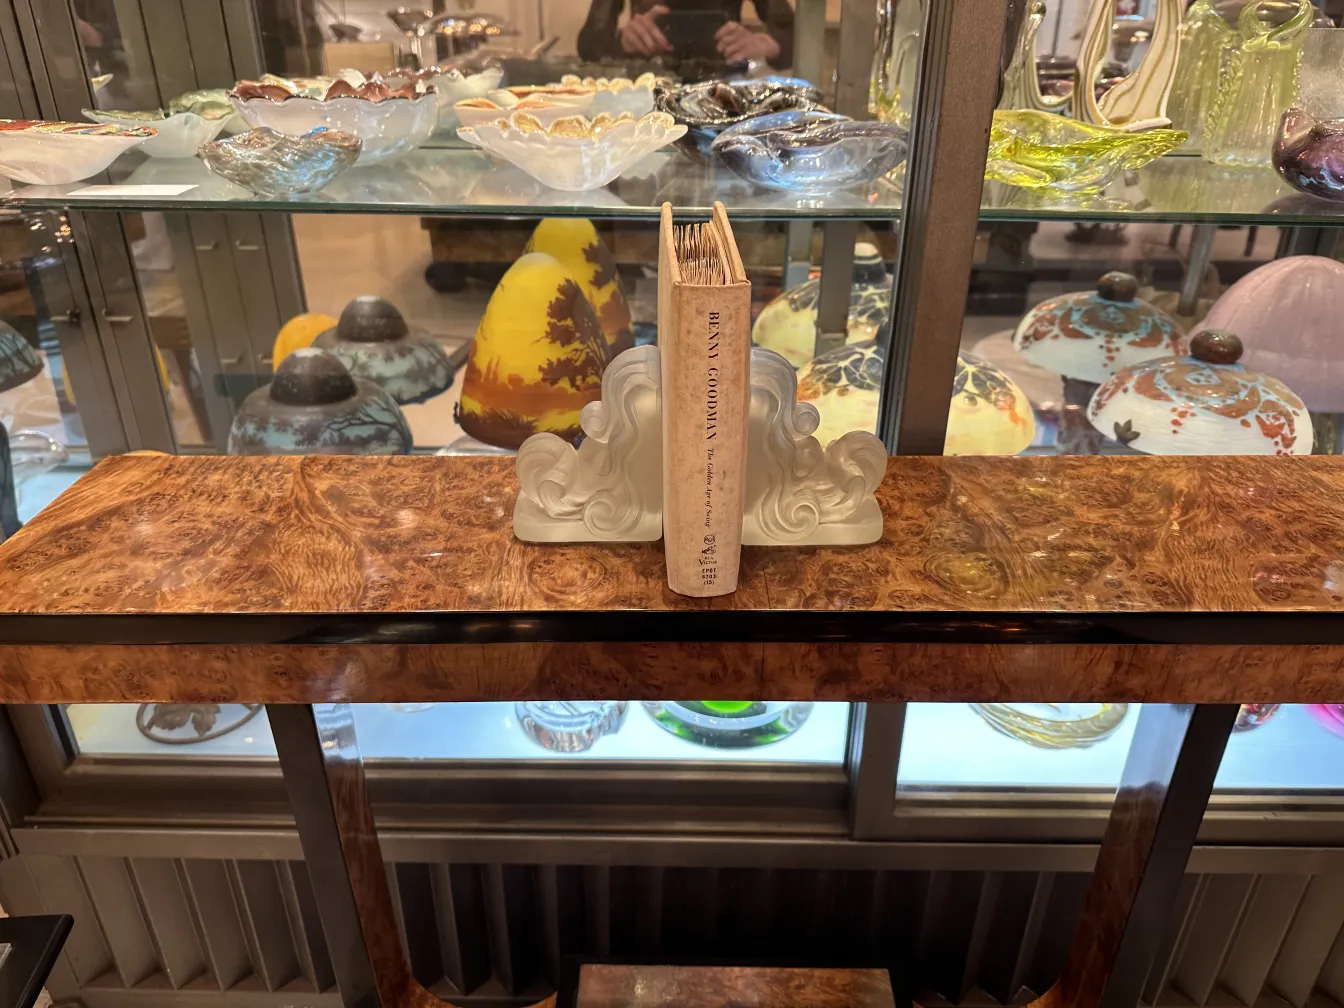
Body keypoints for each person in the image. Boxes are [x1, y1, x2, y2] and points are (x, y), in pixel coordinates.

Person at [577, 0, 794, 69]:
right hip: (644, 93)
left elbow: (797, 36)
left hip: (722, 94)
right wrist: (622, 39)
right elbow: (588, 44)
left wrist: (765, 43)